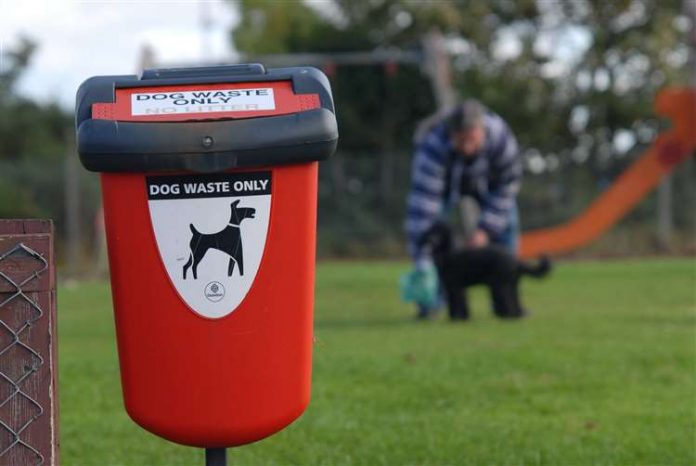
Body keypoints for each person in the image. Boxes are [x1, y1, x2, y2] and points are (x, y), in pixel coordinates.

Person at [404, 99, 523, 318]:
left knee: (508, 225)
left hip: (490, 183)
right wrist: (423, 260)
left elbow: (507, 186)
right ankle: (430, 301)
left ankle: (509, 302)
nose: (467, 147)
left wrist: (486, 229)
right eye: (460, 141)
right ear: (450, 134)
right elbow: (423, 209)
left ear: (482, 130)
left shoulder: (500, 137)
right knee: (431, 235)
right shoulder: (433, 147)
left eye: (472, 140)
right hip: (444, 185)